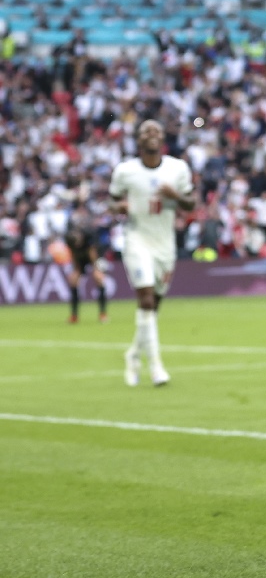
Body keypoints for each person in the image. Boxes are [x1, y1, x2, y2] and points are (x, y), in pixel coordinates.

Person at [109, 120, 196, 387]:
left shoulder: (177, 168)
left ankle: (133, 354)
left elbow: (191, 203)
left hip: (164, 244)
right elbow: (113, 200)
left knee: (153, 305)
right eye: (146, 131)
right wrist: (119, 207)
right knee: (145, 299)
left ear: (162, 138)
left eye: (157, 130)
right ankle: (157, 367)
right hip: (137, 240)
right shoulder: (125, 170)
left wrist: (175, 196)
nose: (152, 134)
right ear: (138, 139)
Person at [64, 215, 108, 324]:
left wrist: (96, 269)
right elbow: (73, 254)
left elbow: (92, 253)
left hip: (95, 256)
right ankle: (74, 316)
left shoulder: (88, 235)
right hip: (80, 258)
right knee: (73, 280)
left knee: (98, 278)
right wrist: (77, 269)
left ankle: (103, 314)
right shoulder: (69, 239)